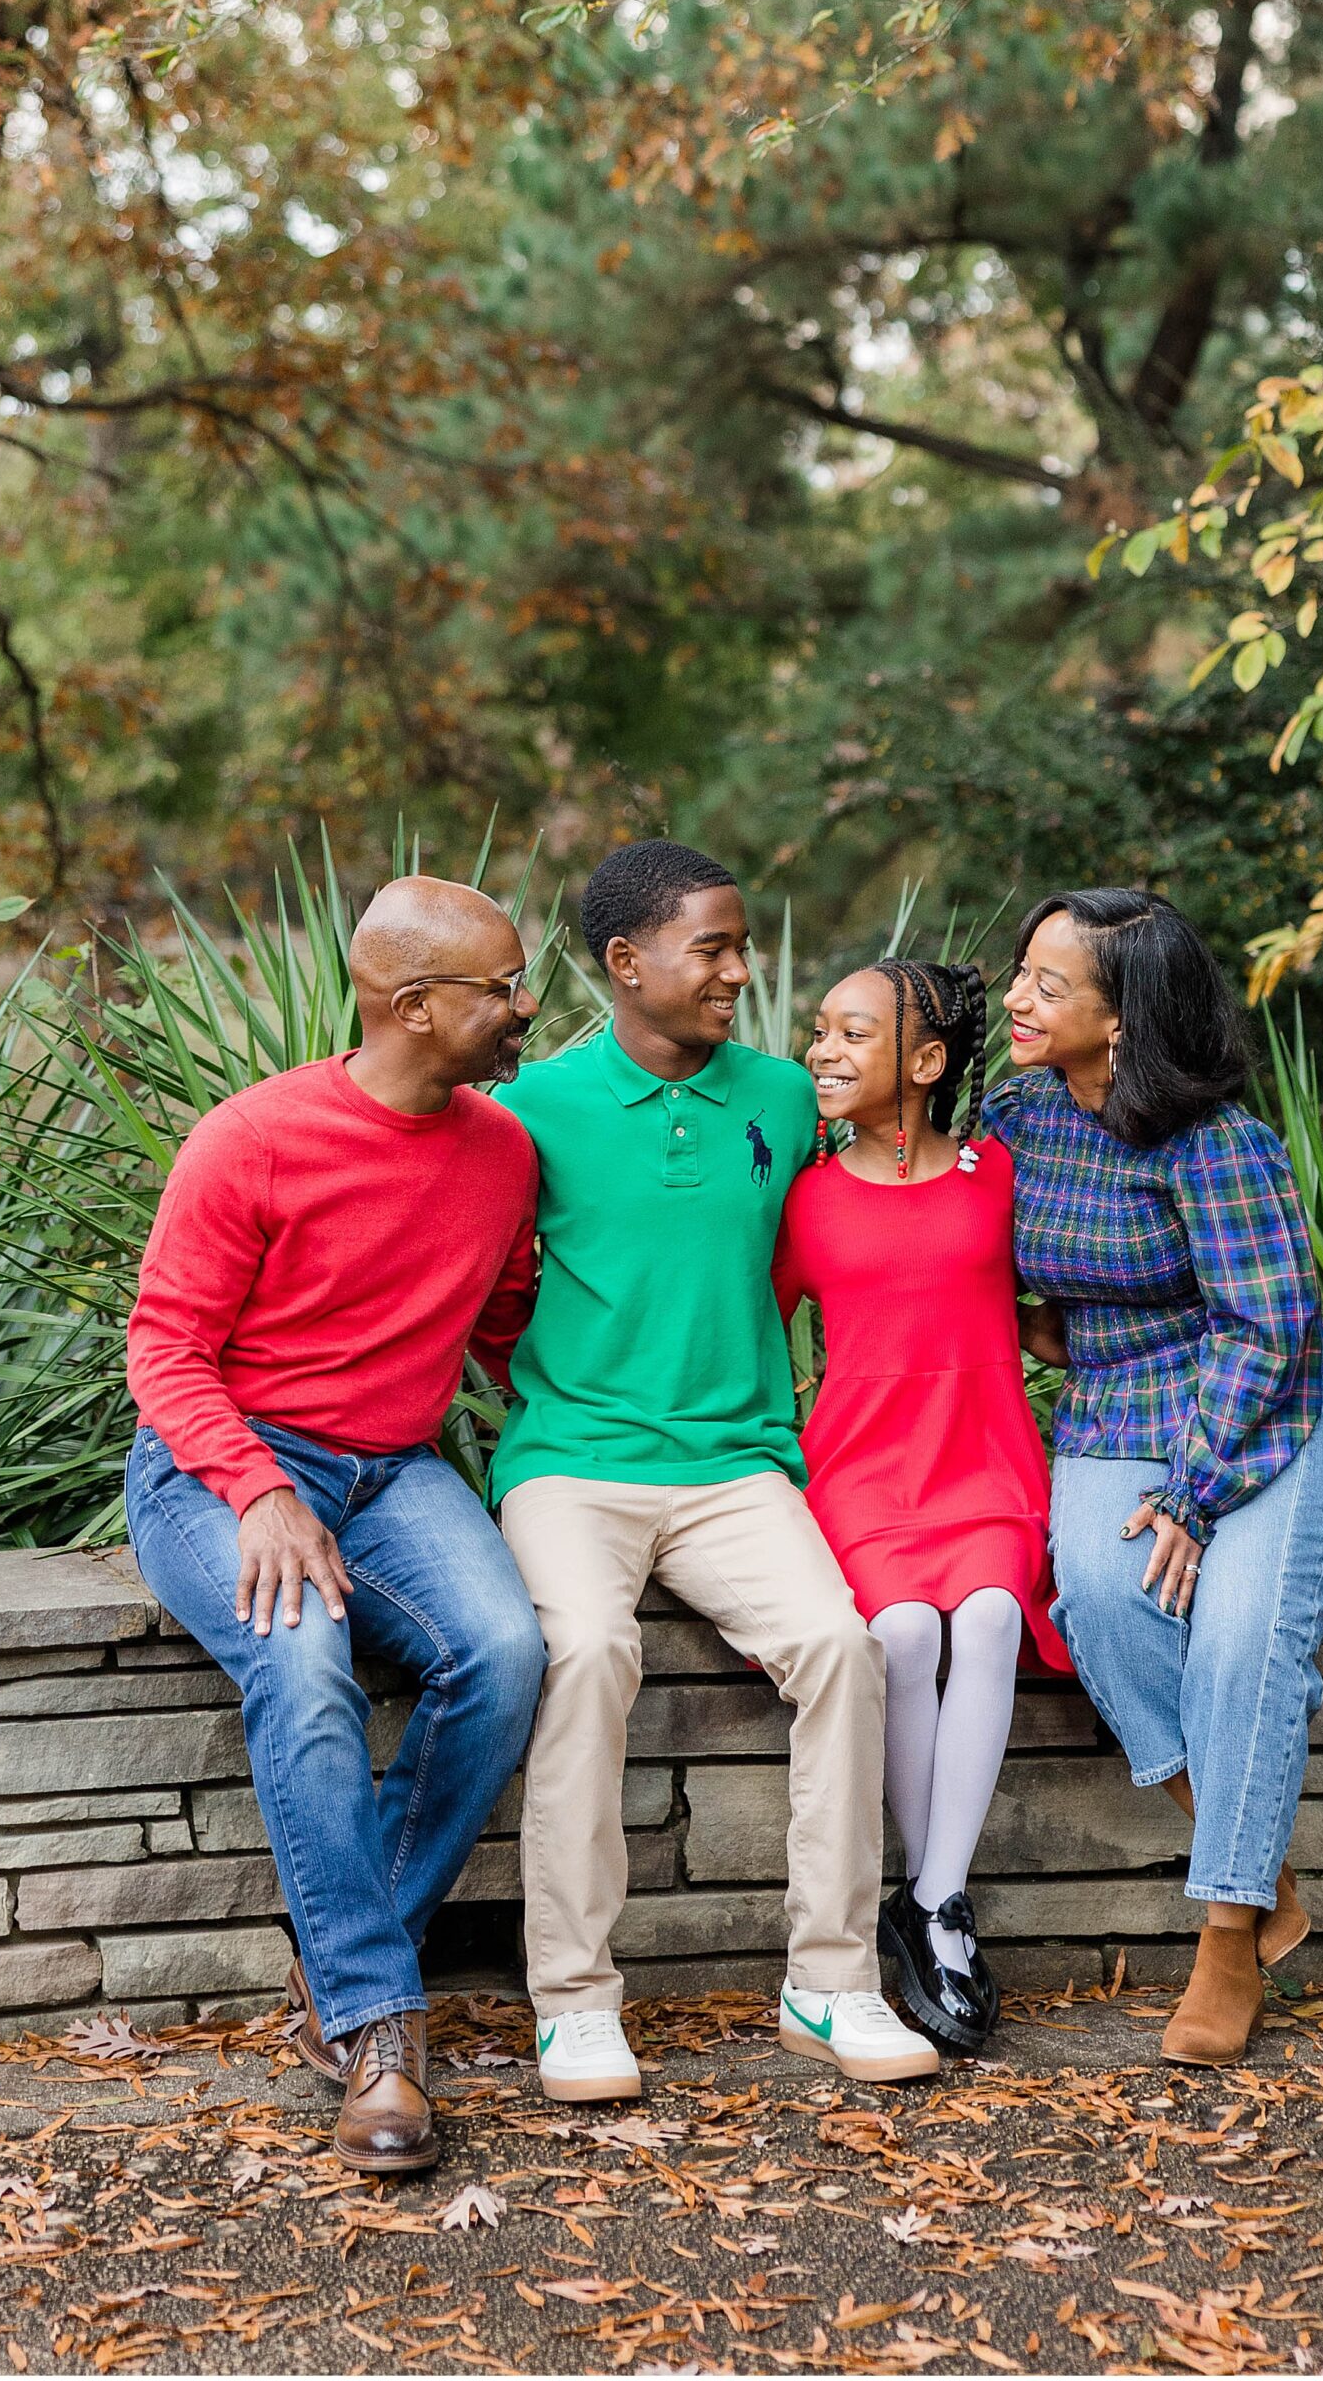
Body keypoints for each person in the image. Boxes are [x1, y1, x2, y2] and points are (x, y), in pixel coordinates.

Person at [493, 841, 940, 2099]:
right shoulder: (532, 1111)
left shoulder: (786, 1098)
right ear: (627, 963)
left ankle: (832, 1978)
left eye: (743, 946)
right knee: (585, 1651)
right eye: (715, 949)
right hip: (571, 1465)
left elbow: (878, 1208)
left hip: (740, 1468)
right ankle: (574, 2002)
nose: (742, 971)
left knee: (843, 1652)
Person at [123, 877, 550, 2172]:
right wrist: (256, 1491)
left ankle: (337, 1966)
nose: (524, 1005)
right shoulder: (252, 1139)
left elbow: (504, 1333)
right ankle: (379, 2027)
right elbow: (165, 1346)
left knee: (506, 1653)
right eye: (502, 986)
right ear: (412, 1005)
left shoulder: (503, 1151)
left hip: (392, 1471)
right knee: (303, 1666)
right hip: (225, 1464)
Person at [982, 888, 1323, 2066]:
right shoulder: (1019, 1118)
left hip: (1278, 1414)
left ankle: (1222, 1937)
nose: (1018, 996)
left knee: (1242, 1633)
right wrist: (1043, 1327)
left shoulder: (1220, 1145)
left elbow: (1267, 1327)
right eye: (1023, 972)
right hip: (1118, 1408)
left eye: (1049, 987)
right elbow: (972, 1240)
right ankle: (1257, 1868)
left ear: (1122, 1022)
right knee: (1103, 1605)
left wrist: (1191, 1497)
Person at [772, 958, 1075, 2055]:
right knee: (900, 1630)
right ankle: (918, 1892)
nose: (824, 1051)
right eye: (820, 1031)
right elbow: (754, 1333)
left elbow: (1043, 1307)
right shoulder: (804, 1197)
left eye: (853, 1033)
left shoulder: (998, 1176)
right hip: (859, 1469)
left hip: (985, 1457)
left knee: (990, 1615)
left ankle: (939, 1907)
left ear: (928, 1061)